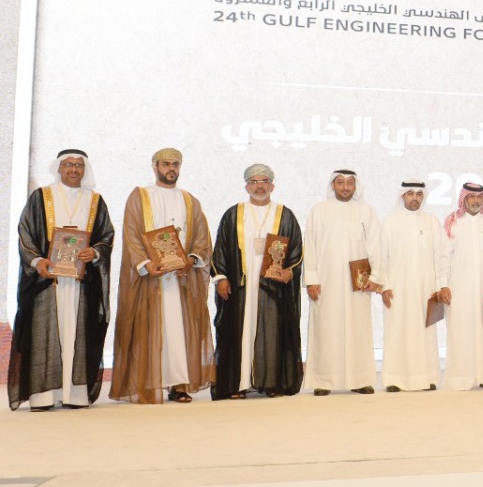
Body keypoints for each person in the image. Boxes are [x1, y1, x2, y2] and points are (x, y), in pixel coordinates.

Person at [9, 149, 114, 411]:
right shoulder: (41, 197)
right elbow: (26, 233)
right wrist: (37, 261)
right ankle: (43, 396)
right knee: (45, 334)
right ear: (59, 167)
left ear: (85, 169)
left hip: (81, 283)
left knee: (78, 335)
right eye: (69, 165)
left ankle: (75, 393)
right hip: (47, 281)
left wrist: (96, 251)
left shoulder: (95, 200)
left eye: (79, 165)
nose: (74, 169)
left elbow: (106, 235)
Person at [110, 148, 215, 404]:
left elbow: (202, 236)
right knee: (151, 328)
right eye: (166, 164)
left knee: (179, 330)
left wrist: (192, 260)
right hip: (151, 278)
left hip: (181, 279)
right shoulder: (141, 196)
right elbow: (131, 233)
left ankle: (179, 385)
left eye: (176, 165)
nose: (171, 169)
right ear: (155, 166)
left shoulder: (190, 200)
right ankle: (150, 383)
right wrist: (146, 264)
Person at [210, 164, 304, 400]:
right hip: (240, 287)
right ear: (246, 186)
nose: (259, 186)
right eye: (253, 182)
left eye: (264, 181)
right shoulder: (234, 213)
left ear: (272, 185)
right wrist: (220, 278)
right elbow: (220, 249)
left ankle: (271, 383)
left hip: (272, 288)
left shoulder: (285, 214)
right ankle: (237, 384)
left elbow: (297, 252)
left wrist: (289, 272)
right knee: (237, 334)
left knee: (272, 333)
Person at [304, 170, 382, 395]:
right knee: (325, 330)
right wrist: (311, 279)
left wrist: (375, 277)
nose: (345, 187)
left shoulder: (366, 211)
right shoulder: (318, 211)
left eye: (350, 183)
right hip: (325, 282)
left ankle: (360, 379)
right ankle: (323, 380)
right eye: (340, 183)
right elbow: (310, 246)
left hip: (357, 283)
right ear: (333, 185)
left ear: (356, 186)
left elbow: (375, 245)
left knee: (358, 329)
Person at [380, 180, 446, 392]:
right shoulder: (390, 221)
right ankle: (394, 379)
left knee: (425, 331)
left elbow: (441, 256)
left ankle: (427, 378)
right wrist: (385, 286)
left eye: (419, 194)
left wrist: (441, 285)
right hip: (398, 288)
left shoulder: (432, 221)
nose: (415, 198)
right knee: (398, 330)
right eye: (410, 194)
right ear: (402, 197)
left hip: (426, 288)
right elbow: (382, 257)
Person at [439, 183, 483, 390]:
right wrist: (443, 285)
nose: (475, 201)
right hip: (459, 288)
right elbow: (444, 257)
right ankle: (460, 378)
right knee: (460, 331)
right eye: (471, 197)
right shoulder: (453, 222)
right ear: (464, 199)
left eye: (479, 197)